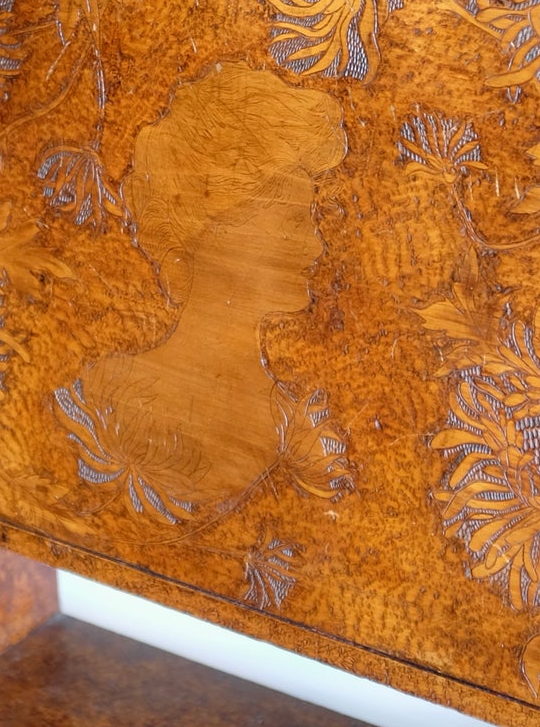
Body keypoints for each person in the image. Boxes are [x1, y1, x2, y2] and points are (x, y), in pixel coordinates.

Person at [55, 59, 350, 520]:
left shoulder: (299, 436)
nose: (316, 245)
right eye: (296, 220)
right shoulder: (103, 397)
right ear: (215, 223)